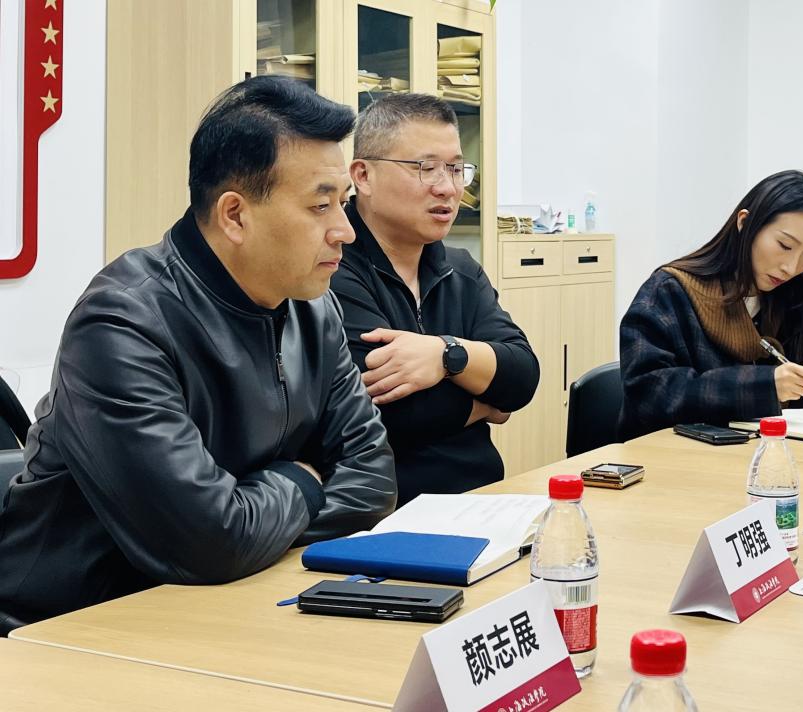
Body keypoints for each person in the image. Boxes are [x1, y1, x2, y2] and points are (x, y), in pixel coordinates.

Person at [0, 77, 396, 635]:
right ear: (234, 215)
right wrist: (305, 481)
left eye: (344, 204)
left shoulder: (312, 304)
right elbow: (208, 542)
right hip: (66, 630)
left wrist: (248, 519)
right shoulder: (124, 321)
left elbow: (374, 478)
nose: (345, 231)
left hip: (228, 603)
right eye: (320, 205)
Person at [331, 93, 538, 502]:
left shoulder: (461, 270)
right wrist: (487, 402)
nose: (447, 188)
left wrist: (447, 354)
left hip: (482, 498)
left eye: (456, 169)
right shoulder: (333, 267)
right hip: (385, 510)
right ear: (363, 176)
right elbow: (390, 414)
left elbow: (522, 375)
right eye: (425, 168)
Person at [619, 170, 803, 440]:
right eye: (784, 245)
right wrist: (764, 386)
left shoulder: (793, 299)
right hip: (677, 456)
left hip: (770, 456)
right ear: (745, 223)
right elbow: (649, 395)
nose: (791, 267)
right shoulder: (670, 292)